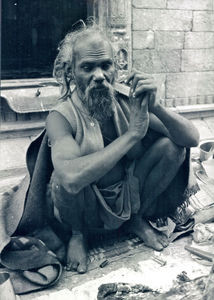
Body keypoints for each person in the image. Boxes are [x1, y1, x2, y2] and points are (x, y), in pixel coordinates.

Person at [45, 24, 199, 274]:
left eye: (105, 65)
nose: (99, 75)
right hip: (84, 204)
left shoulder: (127, 99)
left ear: (116, 68)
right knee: (60, 180)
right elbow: (70, 180)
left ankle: (134, 221)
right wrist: (132, 135)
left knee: (173, 148)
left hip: (130, 192)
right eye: (87, 67)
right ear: (71, 72)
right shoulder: (60, 116)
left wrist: (156, 107)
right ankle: (77, 234)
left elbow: (192, 137)